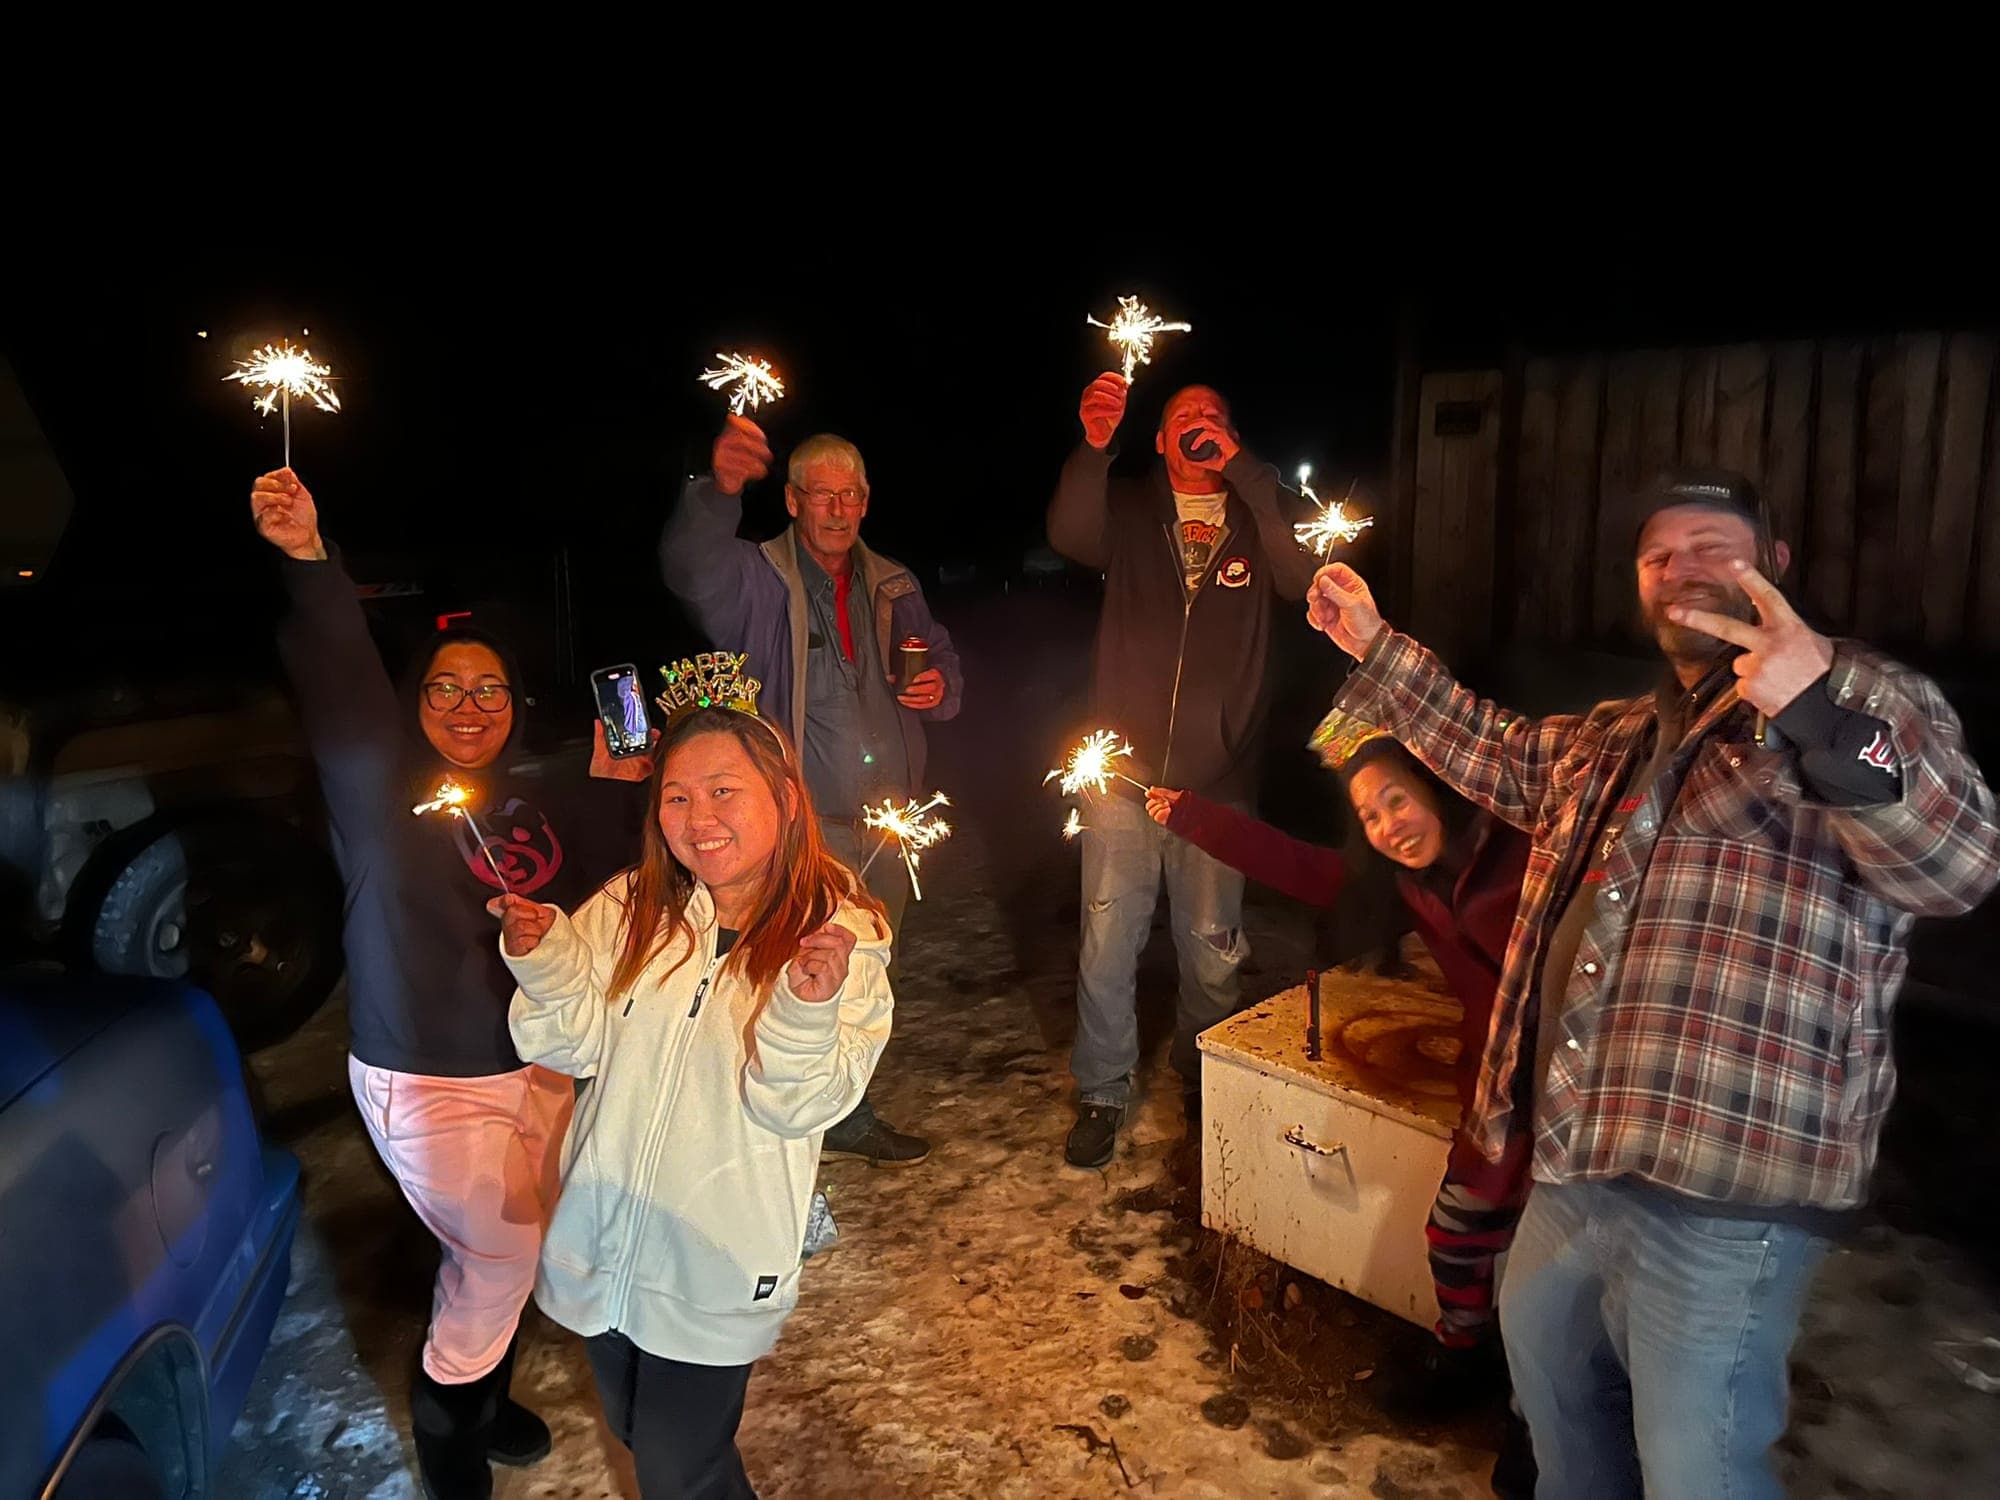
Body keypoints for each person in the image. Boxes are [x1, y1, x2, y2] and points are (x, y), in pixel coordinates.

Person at [1305, 467, 2000, 1498]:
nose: (1682, 569)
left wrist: (1816, 714)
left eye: (1712, 546)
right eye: (1658, 555)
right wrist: (1373, 644)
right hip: (1577, 1158)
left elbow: (1957, 863)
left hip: (1724, 1188)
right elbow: (1490, 748)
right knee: (1556, 1409)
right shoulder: (1615, 737)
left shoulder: (1865, 703)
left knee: (1693, 1469)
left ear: (1774, 564)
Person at [250, 468, 636, 1498]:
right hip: (428, 1074)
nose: (470, 707)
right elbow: (344, 696)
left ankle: (485, 1394)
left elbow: (594, 893)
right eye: (445, 689)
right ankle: (452, 1447)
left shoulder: (527, 801)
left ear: (517, 706)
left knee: (512, 1249)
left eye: (490, 691)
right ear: (411, 703)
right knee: (501, 1255)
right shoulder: (379, 793)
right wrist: (311, 564)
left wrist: (617, 793)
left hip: (536, 1063)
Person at [491, 659, 892, 1499]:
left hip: (715, 1258)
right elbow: (571, 1046)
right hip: (608, 1234)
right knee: (639, 1434)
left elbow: (800, 1105)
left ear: (786, 800)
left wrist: (804, 1008)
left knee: (679, 1472)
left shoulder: (838, 940)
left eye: (723, 791)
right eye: (676, 796)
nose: (698, 818)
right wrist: (548, 962)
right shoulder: (632, 904)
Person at [1147, 738, 1537, 1494]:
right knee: (1459, 1229)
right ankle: (1465, 1360)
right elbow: (1303, 868)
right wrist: (1194, 817)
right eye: (1370, 815)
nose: (1390, 825)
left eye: (1397, 799)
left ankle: (1539, 1424)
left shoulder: (1516, 858)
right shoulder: (1407, 882)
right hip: (1496, 1089)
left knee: (1549, 1271)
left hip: (1571, 1088)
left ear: (1438, 788)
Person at [660, 419, 961, 1167]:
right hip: (800, 825)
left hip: (889, 826)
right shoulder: (758, 578)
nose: (837, 509)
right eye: (820, 495)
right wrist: (719, 490)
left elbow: (940, 656)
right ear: (792, 501)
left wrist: (940, 684)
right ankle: (769, 1134)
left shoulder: (894, 582)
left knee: (866, 971)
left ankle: (847, 1111)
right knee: (782, 972)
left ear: (866, 501)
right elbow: (690, 567)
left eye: (850, 495)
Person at [1048, 373, 1314, 1167]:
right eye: (1182, 416)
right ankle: (1102, 1090)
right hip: (1122, 774)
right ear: (1161, 440)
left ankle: (1203, 1073)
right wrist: (1095, 448)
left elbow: (1303, 578)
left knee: (1213, 946)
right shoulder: (1132, 509)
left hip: (1219, 779)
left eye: (1214, 414)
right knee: (1107, 938)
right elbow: (1070, 534)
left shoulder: (1257, 513)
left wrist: (1250, 474)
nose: (1199, 421)